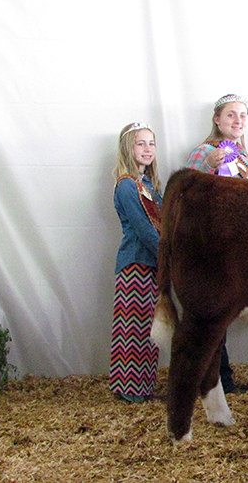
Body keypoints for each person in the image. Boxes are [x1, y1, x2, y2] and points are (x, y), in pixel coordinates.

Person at [184, 93, 248, 394]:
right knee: (214, 314)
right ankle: (215, 382)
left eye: (243, 115)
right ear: (217, 119)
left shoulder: (245, 157)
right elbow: (187, 192)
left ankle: (220, 380)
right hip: (214, 245)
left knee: (222, 314)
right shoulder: (204, 152)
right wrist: (208, 165)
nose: (238, 120)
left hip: (241, 246)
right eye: (231, 115)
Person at [110, 122, 163, 402]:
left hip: (151, 266)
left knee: (148, 329)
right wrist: (168, 256)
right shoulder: (127, 186)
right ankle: (129, 389)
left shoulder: (150, 187)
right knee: (133, 327)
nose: (147, 149)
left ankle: (143, 387)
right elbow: (144, 230)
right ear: (128, 148)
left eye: (151, 143)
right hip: (135, 265)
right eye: (140, 143)